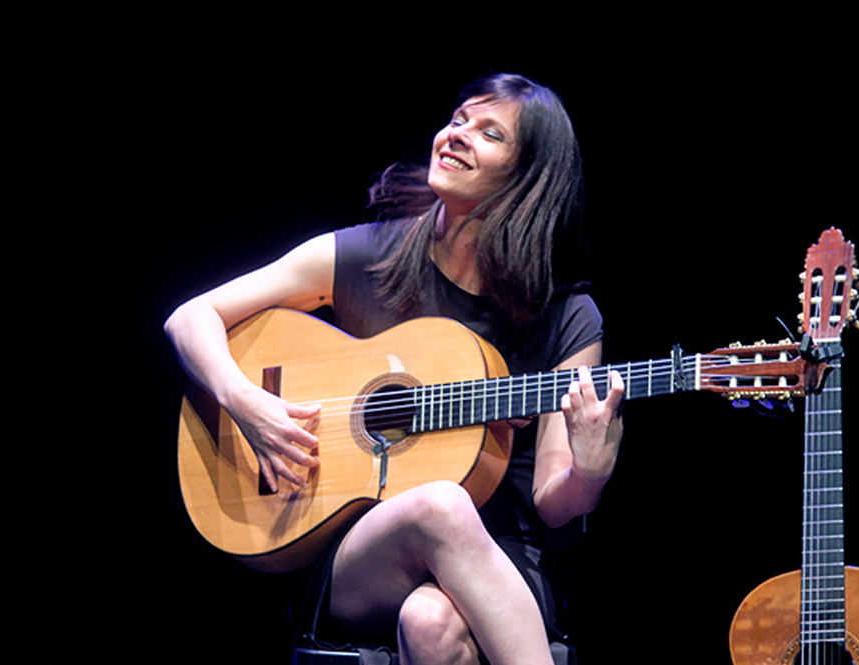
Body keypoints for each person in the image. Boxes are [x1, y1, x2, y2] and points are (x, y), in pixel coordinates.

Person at [164, 73, 625, 665]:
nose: (457, 136)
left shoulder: (566, 315)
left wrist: (590, 471)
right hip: (361, 550)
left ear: (528, 177)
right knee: (440, 504)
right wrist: (247, 403)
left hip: (503, 555)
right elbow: (190, 317)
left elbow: (555, 502)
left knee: (429, 622)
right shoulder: (367, 256)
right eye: (458, 119)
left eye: (489, 133)